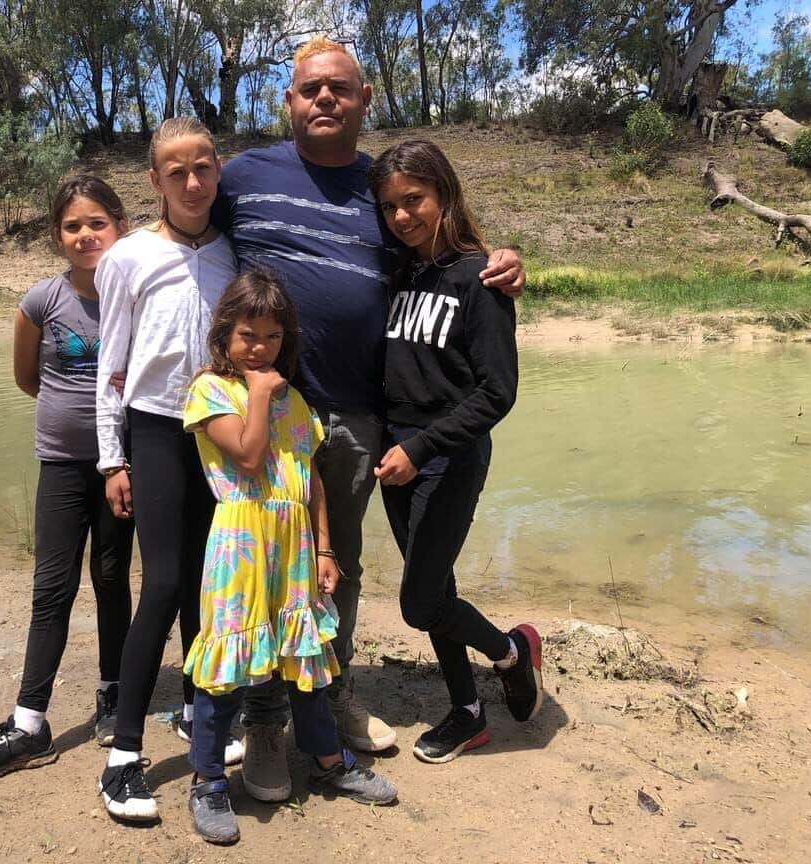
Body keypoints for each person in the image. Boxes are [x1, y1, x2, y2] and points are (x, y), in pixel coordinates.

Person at [211, 36, 526, 800]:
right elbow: (185, 231)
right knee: (256, 562)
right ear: (287, 101)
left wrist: (504, 259)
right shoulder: (243, 174)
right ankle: (257, 721)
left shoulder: (381, 184)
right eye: (308, 89)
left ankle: (332, 693)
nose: (323, 99)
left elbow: (438, 256)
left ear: (363, 98)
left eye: (338, 89)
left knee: (336, 566)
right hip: (267, 410)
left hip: (358, 416)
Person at [182, 271, 398, 844]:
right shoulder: (209, 390)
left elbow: (311, 482)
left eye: (273, 337)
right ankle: (206, 781)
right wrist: (256, 392)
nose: (259, 347)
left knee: (305, 656)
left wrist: (325, 547)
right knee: (226, 665)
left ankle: (328, 763)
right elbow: (249, 459)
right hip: (240, 543)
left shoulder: (297, 402)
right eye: (248, 334)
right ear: (224, 333)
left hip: (295, 544)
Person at [0, 174, 136, 783]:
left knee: (112, 578)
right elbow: (28, 379)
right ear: (58, 236)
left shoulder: (137, 296)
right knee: (51, 588)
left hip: (122, 467)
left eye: (97, 222)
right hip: (59, 462)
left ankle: (112, 690)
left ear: (120, 225)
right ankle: (30, 721)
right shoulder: (40, 302)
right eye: (72, 225)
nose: (86, 235)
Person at [367, 139, 543, 763]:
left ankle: (511, 652)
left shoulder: (481, 279)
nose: (402, 216)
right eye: (389, 206)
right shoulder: (396, 272)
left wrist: (420, 446)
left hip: (447, 454)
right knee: (438, 584)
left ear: (444, 193)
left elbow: (499, 393)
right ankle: (468, 711)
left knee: (419, 603)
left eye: (413, 200)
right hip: (398, 457)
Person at [94, 117, 242, 822]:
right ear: (153, 181)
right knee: (164, 582)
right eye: (175, 172)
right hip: (154, 428)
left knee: (210, 580)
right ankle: (123, 755)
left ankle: (193, 709)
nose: (191, 182)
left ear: (219, 171)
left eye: (203, 168)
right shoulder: (126, 257)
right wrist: (110, 456)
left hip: (218, 431)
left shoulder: (231, 251)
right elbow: (111, 365)